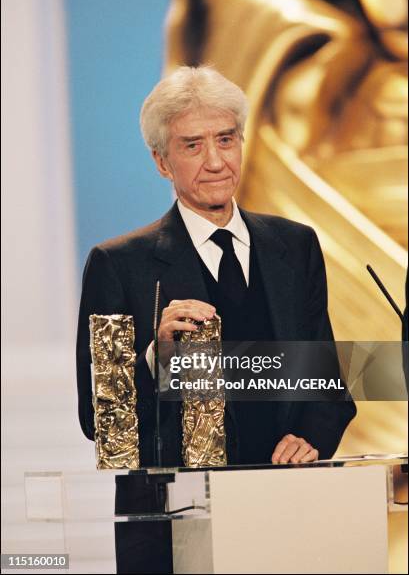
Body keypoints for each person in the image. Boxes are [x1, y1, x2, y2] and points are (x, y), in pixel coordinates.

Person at [76, 65, 356, 572]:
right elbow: (97, 420)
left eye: (226, 140)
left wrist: (312, 435)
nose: (215, 161)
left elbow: (326, 382)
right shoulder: (119, 264)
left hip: (289, 512)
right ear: (162, 162)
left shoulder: (295, 246)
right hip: (174, 527)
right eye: (192, 145)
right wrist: (155, 357)